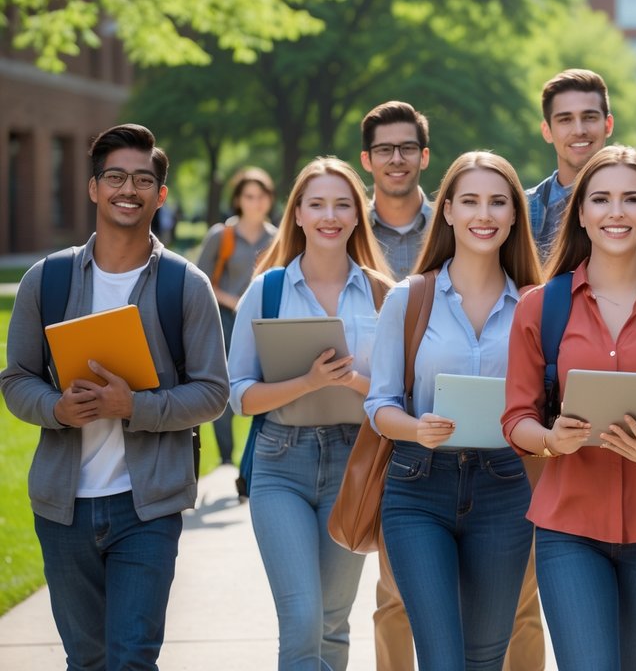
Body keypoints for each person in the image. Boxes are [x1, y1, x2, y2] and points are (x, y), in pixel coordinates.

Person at [1, 123, 229, 669]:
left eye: (143, 180)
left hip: (146, 507)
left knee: (131, 657)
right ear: (93, 187)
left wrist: (137, 408)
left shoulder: (185, 285)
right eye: (116, 177)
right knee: (87, 659)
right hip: (64, 507)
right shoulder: (47, 280)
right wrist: (55, 408)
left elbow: (214, 393)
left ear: (160, 194)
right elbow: (15, 380)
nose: (129, 189)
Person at [503, 145, 636, 671]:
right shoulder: (541, 307)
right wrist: (550, 440)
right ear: (581, 213)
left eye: (632, 199)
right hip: (569, 528)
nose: (616, 212)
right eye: (600, 199)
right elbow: (516, 419)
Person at [366, 151, 542, 670]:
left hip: (506, 489)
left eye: (497, 202)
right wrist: (416, 428)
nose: (483, 215)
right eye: (469, 201)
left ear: (514, 215)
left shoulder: (537, 304)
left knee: (485, 659)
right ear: (446, 212)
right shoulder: (409, 298)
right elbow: (380, 404)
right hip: (418, 486)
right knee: (443, 659)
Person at [227, 157, 394, 670]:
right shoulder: (268, 290)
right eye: (317, 203)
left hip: (354, 464)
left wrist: (352, 381)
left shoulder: (384, 294)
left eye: (343, 204)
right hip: (281, 464)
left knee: (332, 624)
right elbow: (239, 395)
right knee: (301, 621)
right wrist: (308, 382)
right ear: (296, 213)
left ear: (359, 214)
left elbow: (399, 393)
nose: (330, 215)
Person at [196, 166, 277, 465]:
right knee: (225, 391)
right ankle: (227, 461)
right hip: (226, 321)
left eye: (262, 196)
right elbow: (201, 281)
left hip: (264, 324)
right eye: (249, 196)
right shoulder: (222, 235)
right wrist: (235, 301)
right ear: (239, 200)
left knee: (269, 393)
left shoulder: (278, 238)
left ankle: (251, 465)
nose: (256, 202)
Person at [526, 69, 615, 259]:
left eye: (589, 117)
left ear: (608, 125)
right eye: (565, 119)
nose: (579, 130)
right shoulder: (522, 210)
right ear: (547, 131)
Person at [361, 100, 434, 281]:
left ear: (424, 157)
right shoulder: (351, 233)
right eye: (384, 149)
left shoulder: (451, 230)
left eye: (407, 148)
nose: (396, 159)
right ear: (366, 160)